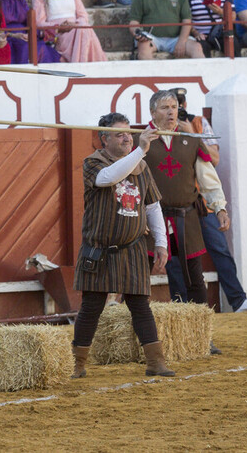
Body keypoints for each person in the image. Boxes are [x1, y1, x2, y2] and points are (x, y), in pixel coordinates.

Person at [70, 112, 174, 380]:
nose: (127, 137)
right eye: (119, 134)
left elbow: (152, 206)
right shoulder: (93, 162)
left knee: (140, 305)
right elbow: (107, 178)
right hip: (100, 247)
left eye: (129, 133)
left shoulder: (140, 164)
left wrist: (161, 242)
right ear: (103, 139)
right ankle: (77, 363)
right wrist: (140, 150)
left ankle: (155, 362)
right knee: (92, 306)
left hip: (132, 246)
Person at [167, 90, 247, 314]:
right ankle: (181, 308)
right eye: (171, 106)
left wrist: (193, 135)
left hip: (202, 201)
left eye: (179, 105)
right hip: (175, 202)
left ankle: (238, 300)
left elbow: (214, 159)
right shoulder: (156, 130)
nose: (176, 111)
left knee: (219, 249)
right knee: (176, 257)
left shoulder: (198, 123)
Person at [144, 90, 229, 309]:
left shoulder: (192, 141)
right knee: (139, 277)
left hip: (187, 217)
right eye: (165, 108)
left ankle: (201, 338)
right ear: (153, 113)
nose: (171, 112)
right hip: (151, 219)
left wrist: (219, 208)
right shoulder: (141, 142)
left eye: (173, 107)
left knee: (194, 279)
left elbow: (207, 177)